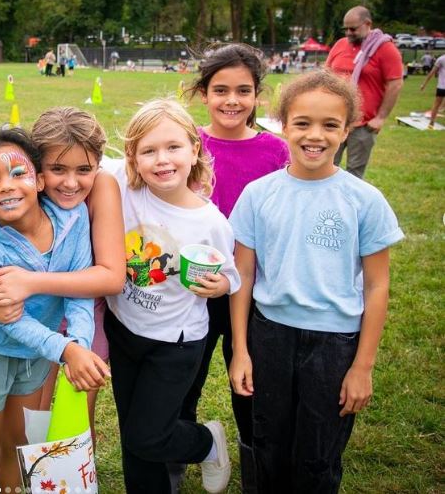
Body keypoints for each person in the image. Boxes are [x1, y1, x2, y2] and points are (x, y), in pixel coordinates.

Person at [228, 70, 404, 492]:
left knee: (317, 454)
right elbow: (244, 275)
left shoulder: (364, 200)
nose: (315, 135)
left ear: (347, 130)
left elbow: (377, 287)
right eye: (303, 123)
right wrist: (240, 350)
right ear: (283, 125)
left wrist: (362, 366)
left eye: (330, 125)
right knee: (268, 443)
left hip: (335, 345)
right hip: (269, 336)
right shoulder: (258, 194)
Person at [0, 128, 108, 494]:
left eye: (17, 173)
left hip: (37, 359)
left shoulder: (73, 219)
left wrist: (79, 346)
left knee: (18, 451)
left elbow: (80, 289)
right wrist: (67, 350)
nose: (6, 186)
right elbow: (13, 320)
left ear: (38, 180)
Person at [0, 107, 125, 462]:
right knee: (30, 427)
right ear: (37, 169)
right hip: (29, 324)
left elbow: (112, 276)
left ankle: (70, 480)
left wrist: (30, 282)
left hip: (81, 310)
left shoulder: (100, 186)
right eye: (58, 170)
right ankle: (14, 477)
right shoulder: (16, 190)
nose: (70, 183)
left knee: (74, 420)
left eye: (83, 170)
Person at [101, 99, 240, 494]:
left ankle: (207, 441)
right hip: (124, 331)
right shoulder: (124, 188)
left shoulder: (209, 221)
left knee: (148, 435)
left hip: (175, 343)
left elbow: (230, 274)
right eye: (149, 150)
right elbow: (82, 159)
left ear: (195, 149)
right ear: (133, 157)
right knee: (134, 437)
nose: (162, 160)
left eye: (173, 147)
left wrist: (221, 285)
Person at [173, 43, 289, 493]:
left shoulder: (277, 151)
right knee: (185, 383)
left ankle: (254, 465)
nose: (232, 101)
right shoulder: (185, 145)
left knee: (250, 386)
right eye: (220, 90)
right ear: (203, 92)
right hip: (192, 292)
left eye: (243, 90)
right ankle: (181, 453)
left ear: (259, 94)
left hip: (252, 294)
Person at [326, 6, 403, 178]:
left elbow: (395, 84)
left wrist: (380, 118)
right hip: (334, 119)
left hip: (363, 125)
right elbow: (326, 75)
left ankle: (350, 204)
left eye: (353, 28)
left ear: (367, 24)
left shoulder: (385, 49)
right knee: (326, 166)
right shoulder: (340, 45)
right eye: (345, 28)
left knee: (354, 174)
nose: (348, 33)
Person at [420, 52, 445, 129]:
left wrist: (424, 84)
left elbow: (431, 73)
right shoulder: (441, 59)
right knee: (437, 105)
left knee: (436, 105)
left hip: (441, 87)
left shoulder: (441, 59)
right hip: (441, 86)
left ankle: (431, 123)